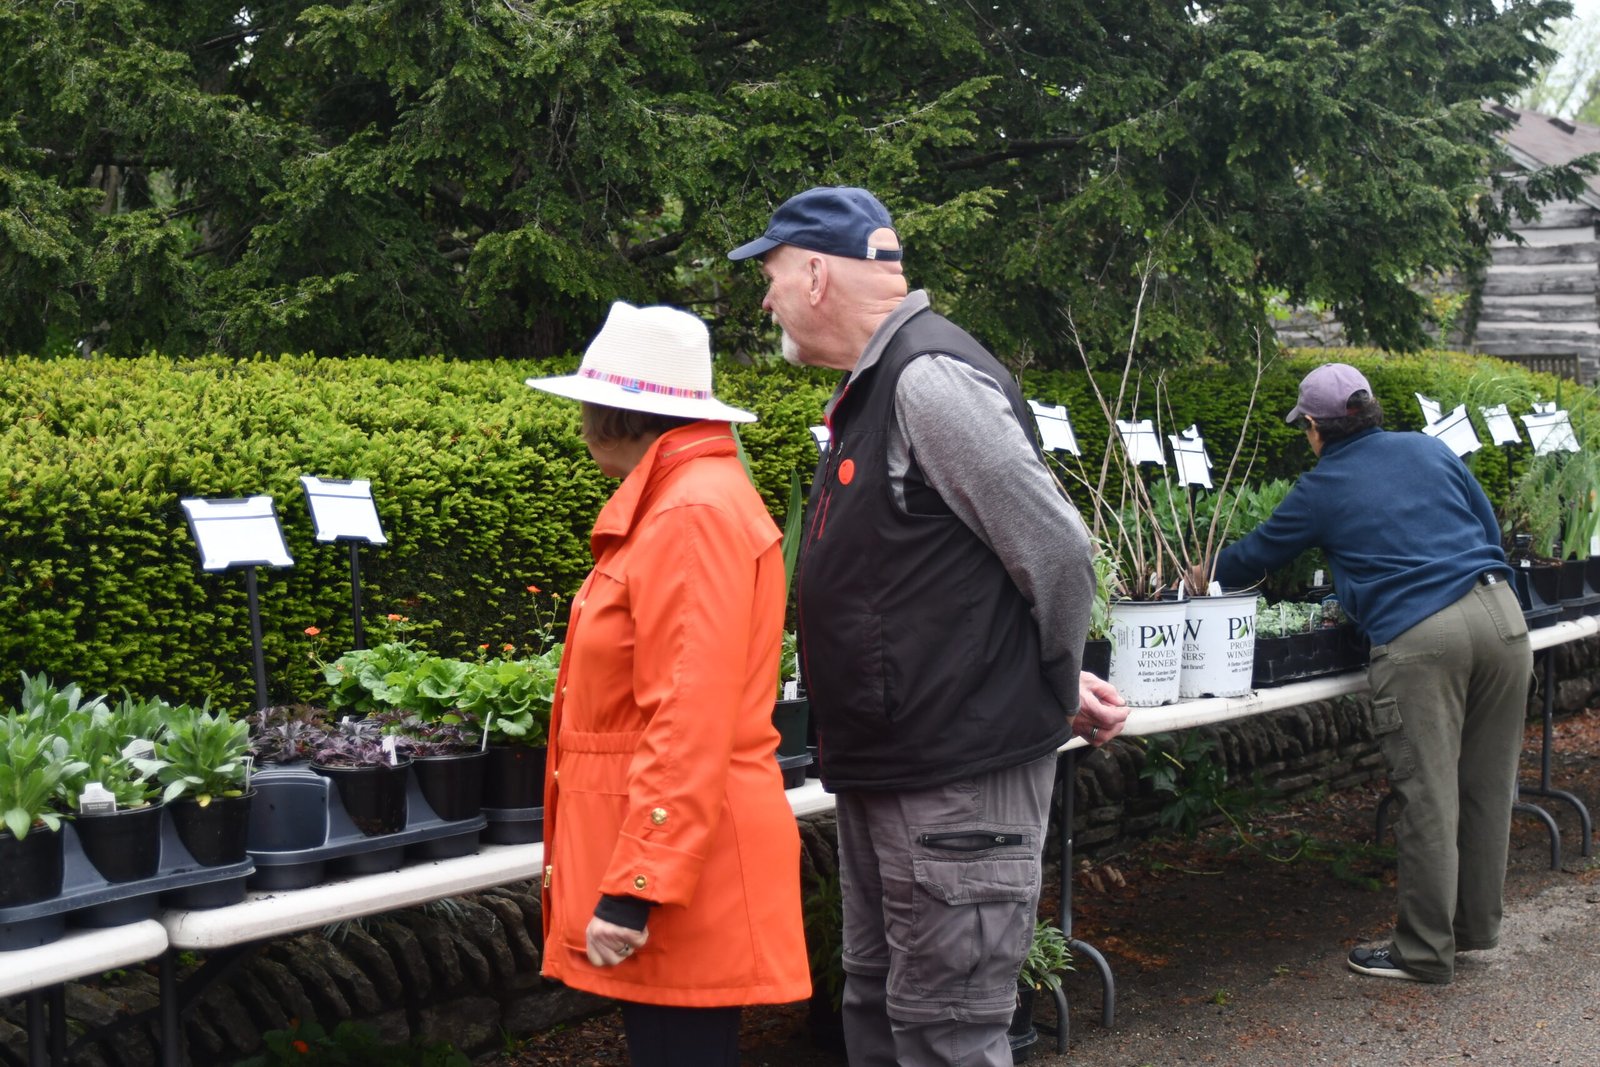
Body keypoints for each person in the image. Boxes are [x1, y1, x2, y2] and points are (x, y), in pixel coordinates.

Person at [728, 186, 1129, 1066]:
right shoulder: (879, 383)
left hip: (955, 781)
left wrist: (1051, 682)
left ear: (817, 275)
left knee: (946, 1030)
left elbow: (1058, 551)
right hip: (902, 771)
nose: (766, 300)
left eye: (772, 276)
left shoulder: (927, 379)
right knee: (879, 1011)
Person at [526, 301, 811, 1066]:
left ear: (614, 414)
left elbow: (686, 713)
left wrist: (636, 886)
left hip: (683, 865)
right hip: (684, 853)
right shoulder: (687, 500)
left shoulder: (689, 513)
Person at [1210, 363, 1532, 985]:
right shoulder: (1428, 449)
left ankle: (1424, 952)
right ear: (1371, 409)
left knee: (1428, 797)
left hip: (1424, 635)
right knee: (1487, 787)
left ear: (1314, 426)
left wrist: (1195, 576)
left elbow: (1254, 557)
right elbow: (1488, 527)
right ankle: (1470, 930)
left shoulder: (1322, 487)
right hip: (1502, 619)